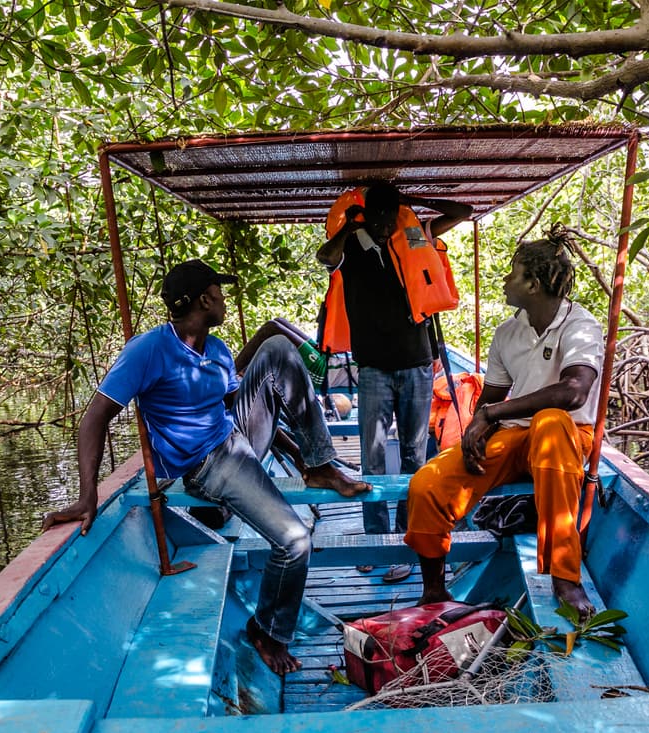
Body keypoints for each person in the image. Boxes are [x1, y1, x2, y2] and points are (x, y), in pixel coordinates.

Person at [42, 260, 371, 675]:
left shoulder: (216, 350)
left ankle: (321, 465)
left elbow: (243, 405)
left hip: (234, 438)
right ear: (204, 299)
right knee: (294, 543)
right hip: (208, 463)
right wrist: (87, 495)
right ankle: (267, 631)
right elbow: (93, 419)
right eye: (219, 291)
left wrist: (303, 458)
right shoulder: (148, 350)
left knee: (277, 347)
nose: (224, 299)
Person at [403, 235, 605, 621]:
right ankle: (433, 589)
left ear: (533, 284)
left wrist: (493, 412)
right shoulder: (507, 333)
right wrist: (479, 425)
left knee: (550, 421)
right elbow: (490, 398)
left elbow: (574, 391)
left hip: (564, 438)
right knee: (427, 485)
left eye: (513, 274)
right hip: (513, 436)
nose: (504, 280)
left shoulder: (580, 326)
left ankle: (565, 577)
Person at [316, 182, 472, 583]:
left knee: (414, 457)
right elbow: (324, 257)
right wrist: (350, 229)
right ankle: (375, 540)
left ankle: (407, 539)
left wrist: (414, 206)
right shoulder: (350, 246)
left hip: (418, 365)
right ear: (368, 213)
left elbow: (461, 211)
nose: (386, 226)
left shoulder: (415, 235)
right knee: (371, 459)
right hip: (373, 370)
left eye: (391, 216)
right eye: (380, 216)